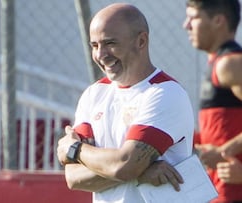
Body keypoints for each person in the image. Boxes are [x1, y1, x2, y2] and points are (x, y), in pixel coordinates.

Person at [57, 3, 195, 203]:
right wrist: (139, 172)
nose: (101, 55)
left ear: (141, 41)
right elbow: (74, 178)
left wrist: (75, 150)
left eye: (110, 43)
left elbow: (125, 165)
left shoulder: (166, 92)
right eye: (95, 45)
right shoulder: (93, 94)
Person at [183, 0, 242, 202]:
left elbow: (223, 147)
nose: (186, 25)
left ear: (218, 20)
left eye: (194, 18)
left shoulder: (230, 64)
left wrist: (225, 151)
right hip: (218, 191)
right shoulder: (218, 63)